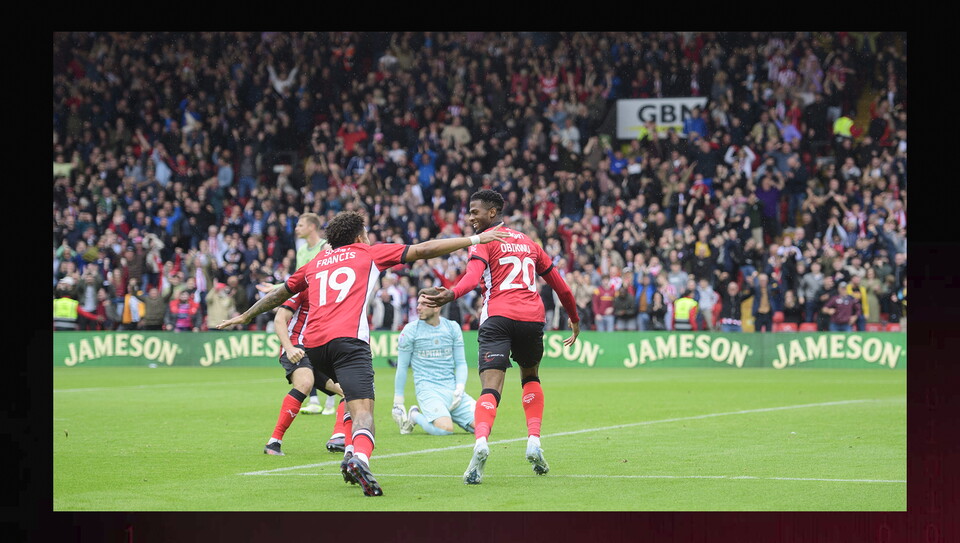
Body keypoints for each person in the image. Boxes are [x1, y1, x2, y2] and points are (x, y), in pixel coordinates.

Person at [217, 210, 509, 497]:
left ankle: (347, 451)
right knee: (364, 411)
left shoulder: (317, 261)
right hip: (348, 343)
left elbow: (280, 293)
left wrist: (245, 316)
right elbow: (423, 249)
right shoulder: (368, 252)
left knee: (346, 394)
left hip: (314, 347)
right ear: (359, 235)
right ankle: (360, 460)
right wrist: (474, 239)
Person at [421, 189, 581, 485]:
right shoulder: (530, 243)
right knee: (530, 376)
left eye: (475, 212)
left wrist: (450, 294)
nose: (470, 218)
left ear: (492, 213)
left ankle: (481, 442)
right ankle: (534, 440)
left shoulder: (485, 241)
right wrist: (574, 319)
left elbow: (471, 278)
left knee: (490, 387)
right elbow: (562, 288)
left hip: (498, 316)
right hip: (532, 319)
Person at [263, 292, 348, 456]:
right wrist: (288, 348)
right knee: (304, 383)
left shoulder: (335, 294)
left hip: (318, 350)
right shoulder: (304, 289)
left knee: (349, 390)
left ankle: (338, 437)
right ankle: (274, 442)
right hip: (296, 345)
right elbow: (280, 319)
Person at [392, 287, 476, 436]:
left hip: (452, 390)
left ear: (437, 307)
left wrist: (460, 388)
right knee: (445, 430)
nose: (418, 307)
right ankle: (415, 416)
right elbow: (402, 366)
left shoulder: (452, 327)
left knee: (482, 426)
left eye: (424, 304)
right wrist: (398, 401)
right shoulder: (410, 330)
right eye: (418, 303)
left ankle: (449, 414)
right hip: (428, 390)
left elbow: (461, 363)